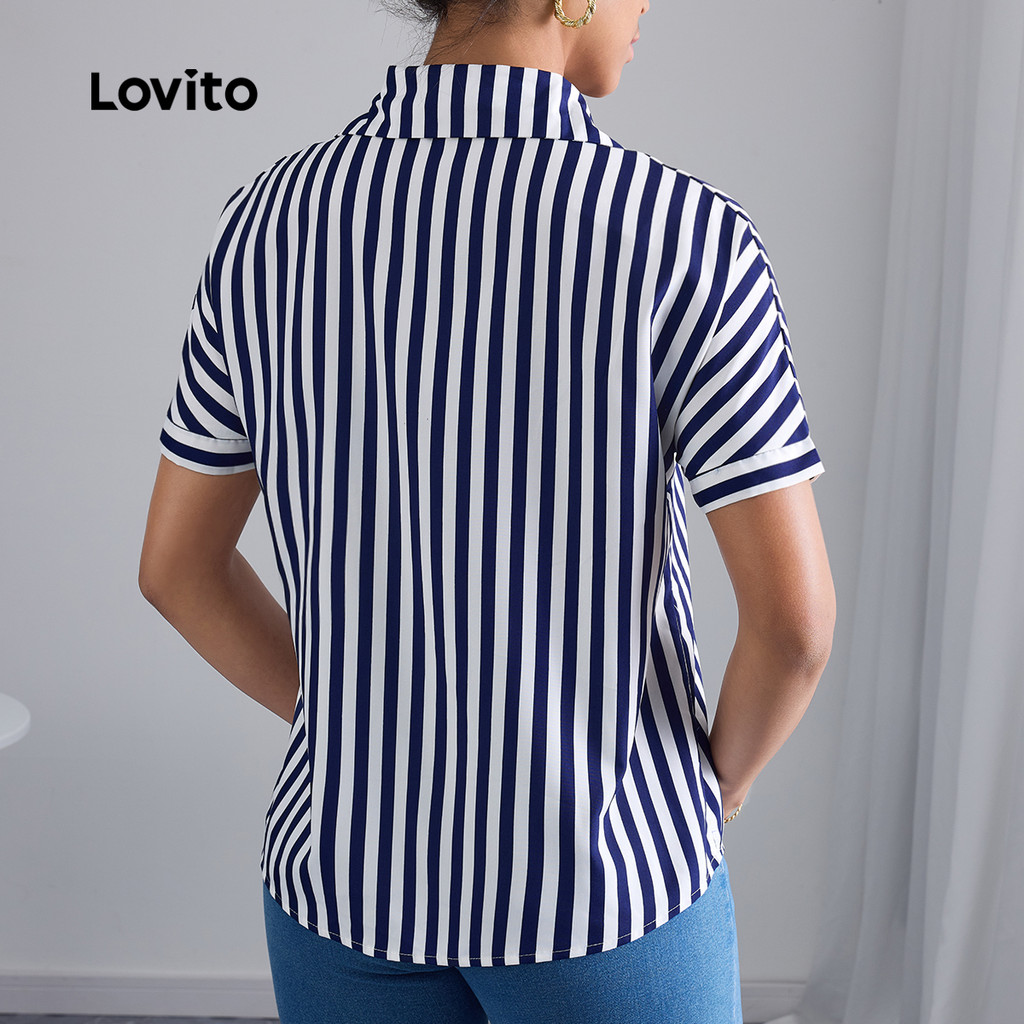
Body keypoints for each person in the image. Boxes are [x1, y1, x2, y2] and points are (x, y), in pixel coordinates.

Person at [138, 1, 836, 1021]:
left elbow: (176, 570)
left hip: (345, 878)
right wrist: (709, 787)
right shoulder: (683, 234)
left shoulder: (265, 226)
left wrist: (346, 721)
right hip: (604, 890)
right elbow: (794, 627)